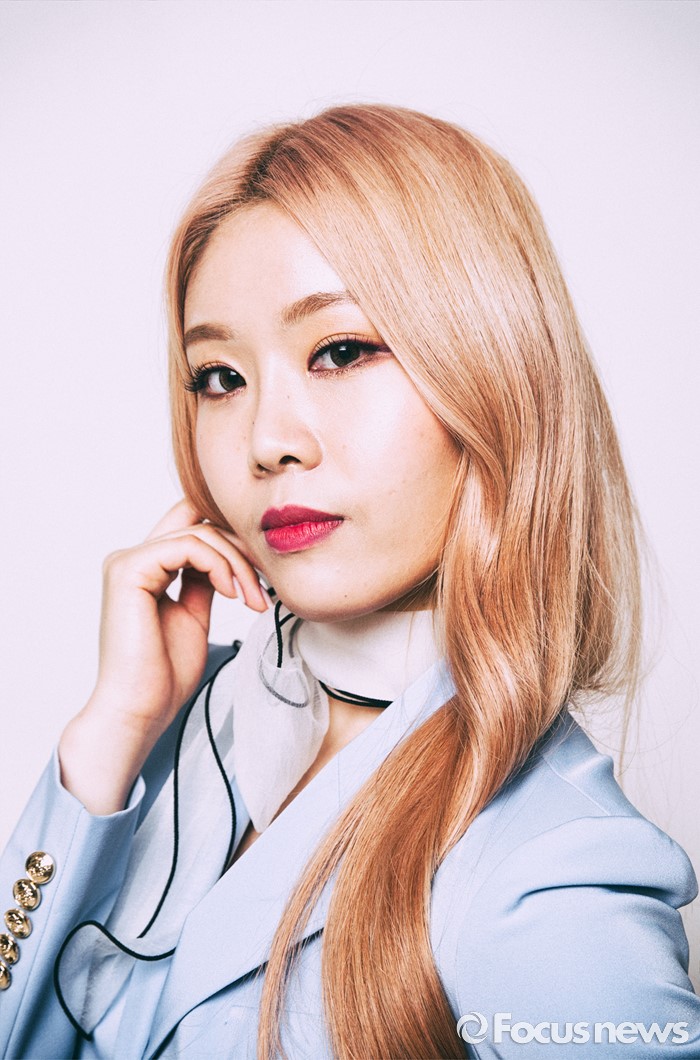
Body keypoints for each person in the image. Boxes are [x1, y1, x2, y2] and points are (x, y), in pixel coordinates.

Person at [0, 102, 698, 1060]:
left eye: (340, 351)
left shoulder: (549, 880)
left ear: (494, 377)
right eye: (220, 377)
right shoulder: (180, 735)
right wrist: (112, 732)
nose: (267, 441)